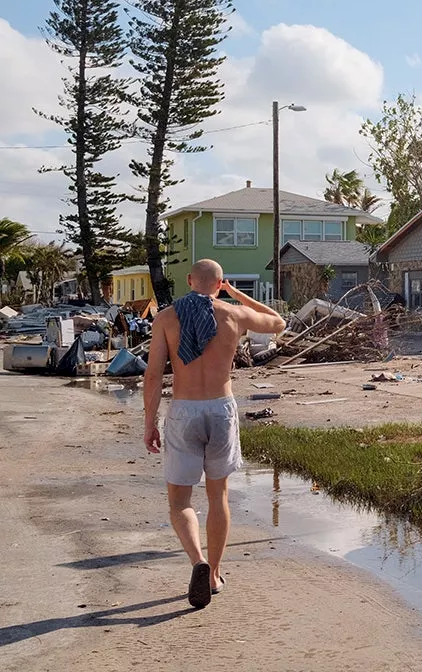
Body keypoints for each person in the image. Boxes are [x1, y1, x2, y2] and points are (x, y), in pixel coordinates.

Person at [143, 259, 286, 608]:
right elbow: (279, 323)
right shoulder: (233, 315)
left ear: (190, 280)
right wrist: (236, 295)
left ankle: (198, 561)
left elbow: (152, 375)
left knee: (179, 502)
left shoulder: (166, 317)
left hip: (184, 409)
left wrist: (149, 421)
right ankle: (216, 573)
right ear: (220, 283)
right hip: (221, 409)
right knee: (218, 496)